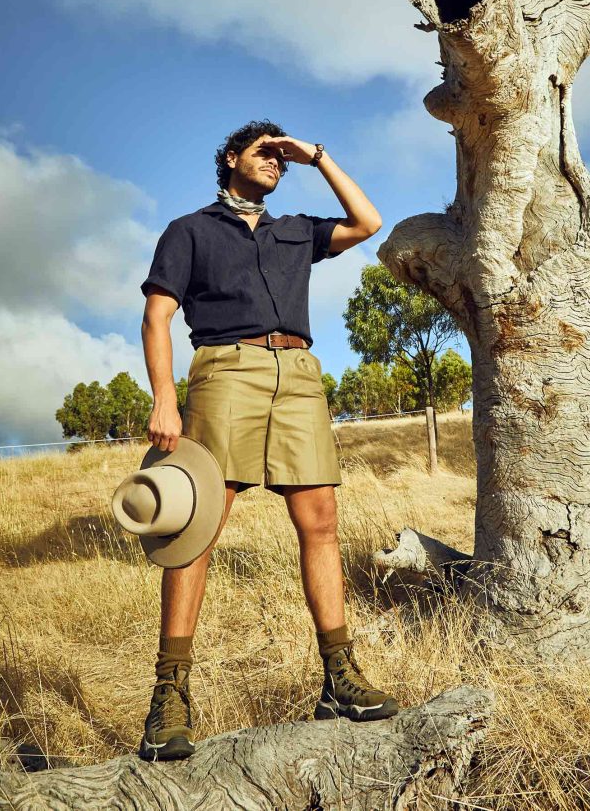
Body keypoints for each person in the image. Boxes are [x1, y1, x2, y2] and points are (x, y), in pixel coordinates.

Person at [138, 119, 399, 761]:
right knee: (195, 527)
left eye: (280, 158)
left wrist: (315, 156)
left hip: (301, 374)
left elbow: (368, 222)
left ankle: (339, 676)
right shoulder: (190, 230)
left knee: (322, 523)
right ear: (230, 159)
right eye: (263, 152)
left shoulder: (295, 229)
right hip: (227, 370)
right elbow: (157, 315)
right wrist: (165, 399)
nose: (274, 163)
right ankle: (169, 697)